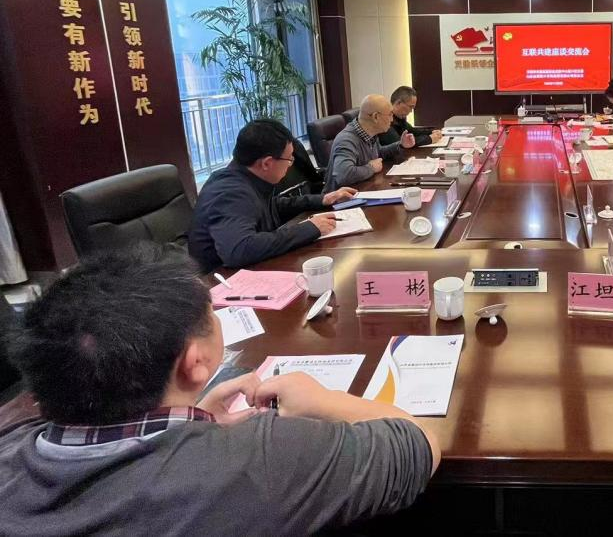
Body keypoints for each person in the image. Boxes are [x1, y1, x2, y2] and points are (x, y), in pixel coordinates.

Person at [0, 245, 440, 535]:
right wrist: (321, 399)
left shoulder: (12, 441)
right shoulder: (259, 459)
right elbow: (418, 444)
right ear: (195, 363)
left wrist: (198, 422)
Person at [188, 119, 355, 271]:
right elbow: (239, 250)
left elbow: (272, 206)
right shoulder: (230, 192)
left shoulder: (247, 177)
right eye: (289, 159)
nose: (290, 164)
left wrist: (322, 199)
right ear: (266, 163)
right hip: (220, 281)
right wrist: (309, 228)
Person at [325, 94, 415, 191]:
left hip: (363, 189)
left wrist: (401, 144)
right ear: (376, 117)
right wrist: (371, 168)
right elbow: (343, 175)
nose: (392, 119)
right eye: (389, 115)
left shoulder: (370, 133)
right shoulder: (346, 140)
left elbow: (378, 153)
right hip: (342, 198)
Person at [378, 86, 442, 148]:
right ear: (398, 103)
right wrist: (429, 139)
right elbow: (400, 142)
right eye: (410, 107)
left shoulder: (400, 118)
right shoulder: (384, 118)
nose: (411, 111)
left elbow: (412, 131)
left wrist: (432, 132)